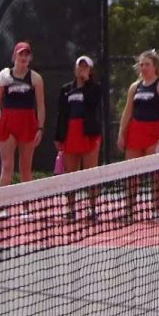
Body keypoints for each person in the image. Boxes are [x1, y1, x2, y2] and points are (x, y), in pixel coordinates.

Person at [116, 49, 159, 218]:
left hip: (155, 133)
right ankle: (129, 209)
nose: (144, 67)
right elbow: (127, 112)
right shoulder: (135, 87)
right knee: (131, 171)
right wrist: (121, 133)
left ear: (155, 66)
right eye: (141, 64)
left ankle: (156, 209)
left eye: (147, 64)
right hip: (135, 132)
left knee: (155, 172)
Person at [53, 55, 104, 220]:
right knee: (71, 174)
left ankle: (92, 209)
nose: (82, 70)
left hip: (88, 133)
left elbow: (93, 102)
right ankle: (70, 208)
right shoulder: (66, 89)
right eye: (79, 67)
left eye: (85, 67)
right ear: (75, 69)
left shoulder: (95, 88)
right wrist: (58, 136)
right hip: (70, 133)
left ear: (90, 70)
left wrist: (87, 82)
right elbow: (61, 114)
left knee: (90, 172)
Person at [0, 41, 46, 190]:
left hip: (27, 123)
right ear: (14, 56)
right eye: (21, 53)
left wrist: (40, 128)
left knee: (25, 168)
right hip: (8, 123)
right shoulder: (4, 77)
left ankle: (26, 209)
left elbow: (40, 106)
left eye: (27, 54)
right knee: (7, 166)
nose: (24, 57)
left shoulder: (36, 79)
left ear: (30, 58)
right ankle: (3, 208)